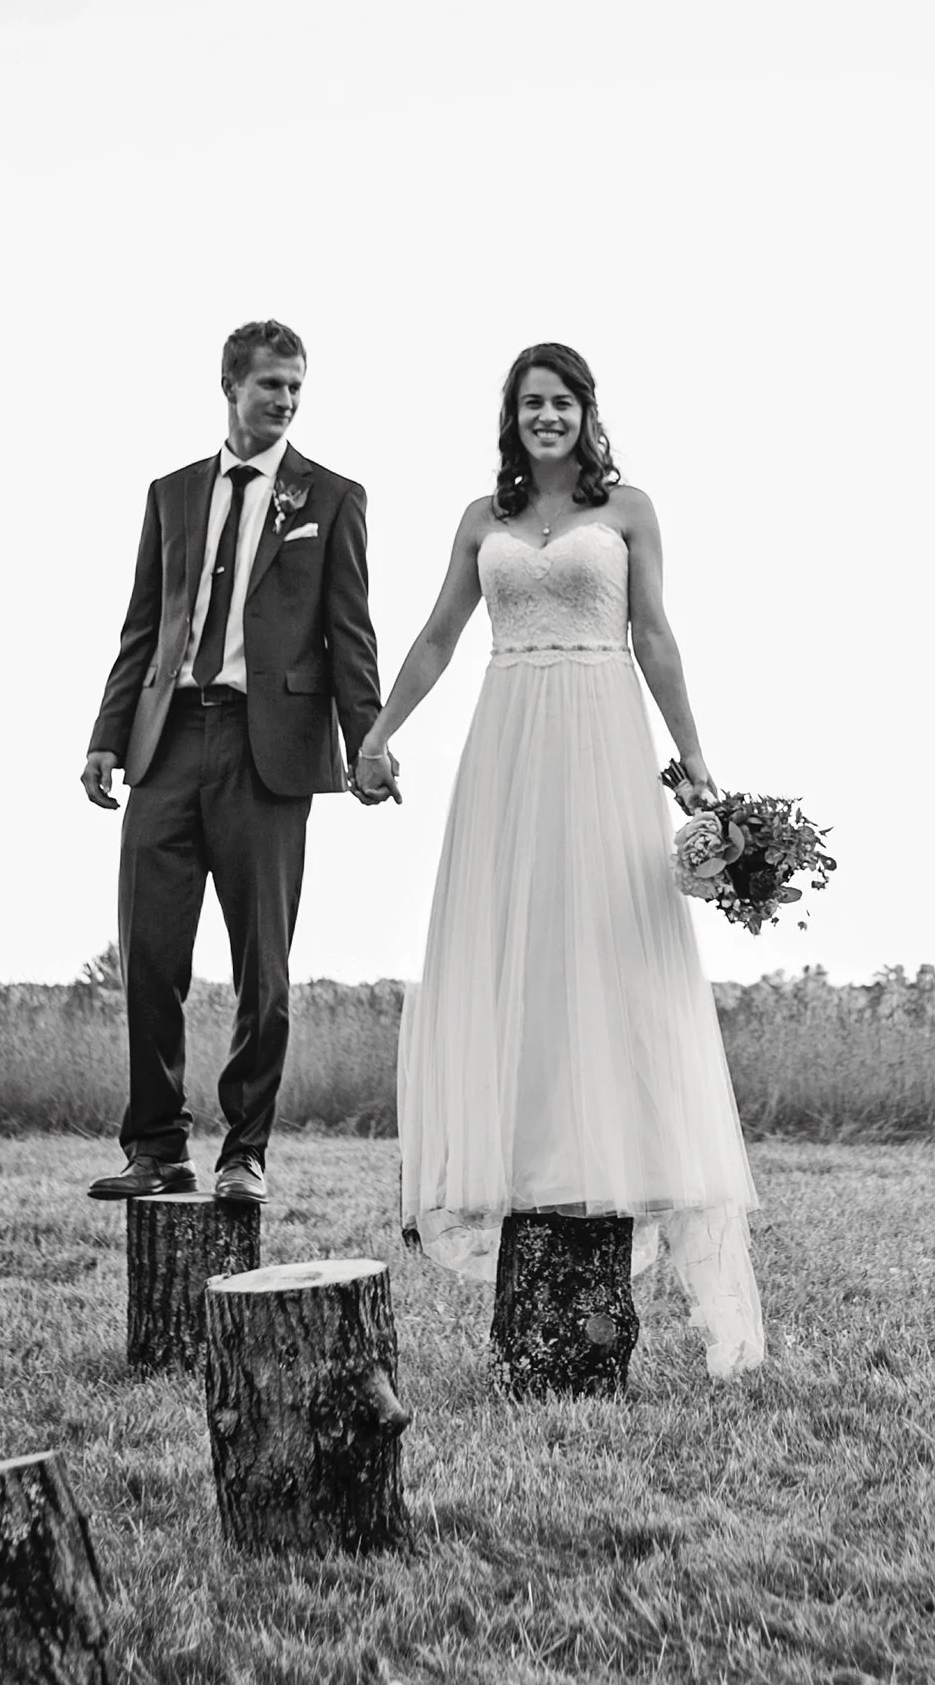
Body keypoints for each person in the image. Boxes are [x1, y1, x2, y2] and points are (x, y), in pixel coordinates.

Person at [357, 343, 765, 1380]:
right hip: (507, 733)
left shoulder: (627, 510)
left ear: (588, 413)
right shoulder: (477, 519)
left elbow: (657, 634)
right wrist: (378, 731)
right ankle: (531, 1149)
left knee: (606, 933)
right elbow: (439, 635)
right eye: (531, 403)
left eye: (563, 401)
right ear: (512, 417)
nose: (547, 416)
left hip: (601, 728)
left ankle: (616, 1151)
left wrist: (695, 756)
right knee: (520, 935)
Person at [81, 320, 383, 1205]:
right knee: (147, 953)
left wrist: (366, 740)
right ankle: (156, 1147)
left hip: (271, 754)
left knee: (264, 965)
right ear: (230, 384)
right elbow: (144, 625)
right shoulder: (170, 494)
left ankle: (245, 1152)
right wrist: (106, 734)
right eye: (270, 385)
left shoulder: (332, 496)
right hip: (167, 743)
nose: (285, 400)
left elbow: (351, 634)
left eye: (295, 387)